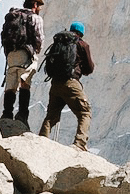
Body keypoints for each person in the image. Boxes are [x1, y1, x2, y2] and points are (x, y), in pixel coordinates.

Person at [39, 21, 94, 151]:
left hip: (55, 84)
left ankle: (42, 139)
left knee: (51, 115)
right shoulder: (82, 44)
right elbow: (90, 68)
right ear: (81, 33)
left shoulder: (59, 43)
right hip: (71, 83)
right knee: (84, 112)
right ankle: (80, 144)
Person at [0, 0, 45, 123]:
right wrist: (36, 52)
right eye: (39, 6)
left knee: (11, 84)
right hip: (26, 53)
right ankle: (22, 115)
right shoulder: (35, 18)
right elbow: (39, 38)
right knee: (25, 83)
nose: (39, 9)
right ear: (35, 5)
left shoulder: (14, 16)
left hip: (11, 54)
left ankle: (7, 114)